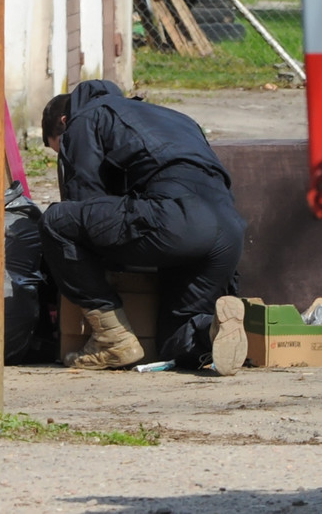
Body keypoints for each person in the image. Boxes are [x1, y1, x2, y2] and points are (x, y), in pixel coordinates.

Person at [38, 80, 248, 375]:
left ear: (63, 122)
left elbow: (85, 202)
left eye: (58, 149)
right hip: (228, 228)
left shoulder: (84, 118)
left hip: (175, 219)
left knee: (57, 221)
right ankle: (213, 329)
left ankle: (112, 339)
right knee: (174, 339)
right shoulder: (171, 116)